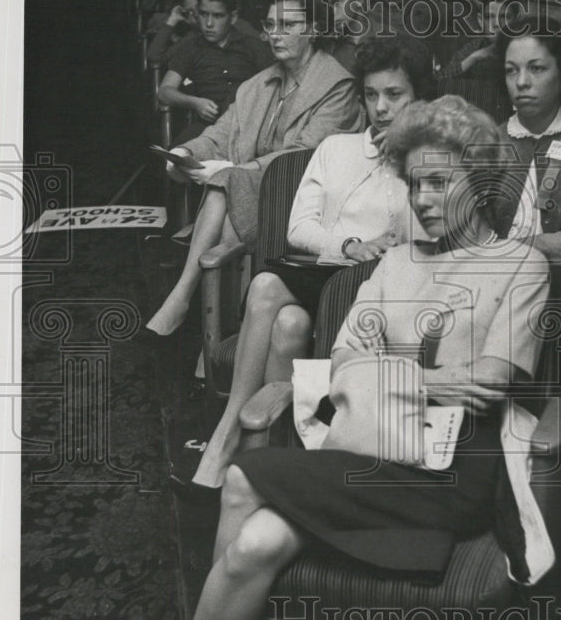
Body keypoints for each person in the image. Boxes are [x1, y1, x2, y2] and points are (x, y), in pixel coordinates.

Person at [126, 94, 551, 620]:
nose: (424, 198)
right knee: (257, 540)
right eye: (414, 183)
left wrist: (392, 370)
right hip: (370, 452)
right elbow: (347, 359)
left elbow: (492, 385)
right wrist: (429, 377)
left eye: (439, 181)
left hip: (452, 476)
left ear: (480, 180)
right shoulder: (397, 262)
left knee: (243, 477)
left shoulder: (520, 265)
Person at [181, 33, 433, 493]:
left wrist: (406, 157)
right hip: (320, 276)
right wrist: (350, 243)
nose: (381, 108)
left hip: (373, 297)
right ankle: (247, 445)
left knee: (287, 320)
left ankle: (244, 452)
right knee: (279, 305)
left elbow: (421, 237)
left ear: (419, 96)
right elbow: (299, 227)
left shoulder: (429, 162)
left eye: (395, 95)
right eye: (371, 95)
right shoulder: (337, 149)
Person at [140, 0, 363, 342]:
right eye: (271, 24)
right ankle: (221, 337)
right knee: (228, 199)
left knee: (227, 186)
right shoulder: (258, 84)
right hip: (251, 193)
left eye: (288, 25)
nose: (275, 33)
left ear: (314, 30)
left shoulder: (337, 85)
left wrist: (240, 171)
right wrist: (186, 152)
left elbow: (305, 155)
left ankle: (186, 303)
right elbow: (222, 132)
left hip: (305, 201)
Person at [492, 14, 561, 279]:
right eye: (511, 70)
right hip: (491, 282)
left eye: (536, 68)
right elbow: (467, 245)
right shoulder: (485, 141)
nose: (521, 82)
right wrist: (541, 246)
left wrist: (506, 248)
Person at [157, 0, 273, 142]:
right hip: (207, 129)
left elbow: (278, 87)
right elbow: (164, 91)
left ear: (232, 17)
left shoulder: (252, 46)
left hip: (248, 129)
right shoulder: (191, 47)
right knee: (179, 154)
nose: (208, 24)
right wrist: (195, 103)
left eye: (217, 16)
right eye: (204, 14)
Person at [440, 0, 522, 79]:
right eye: (489, 17)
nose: (496, 24)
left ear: (517, 20)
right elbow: (440, 80)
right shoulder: (477, 46)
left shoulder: (527, 48)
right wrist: (474, 58)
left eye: (504, 17)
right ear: (480, 20)